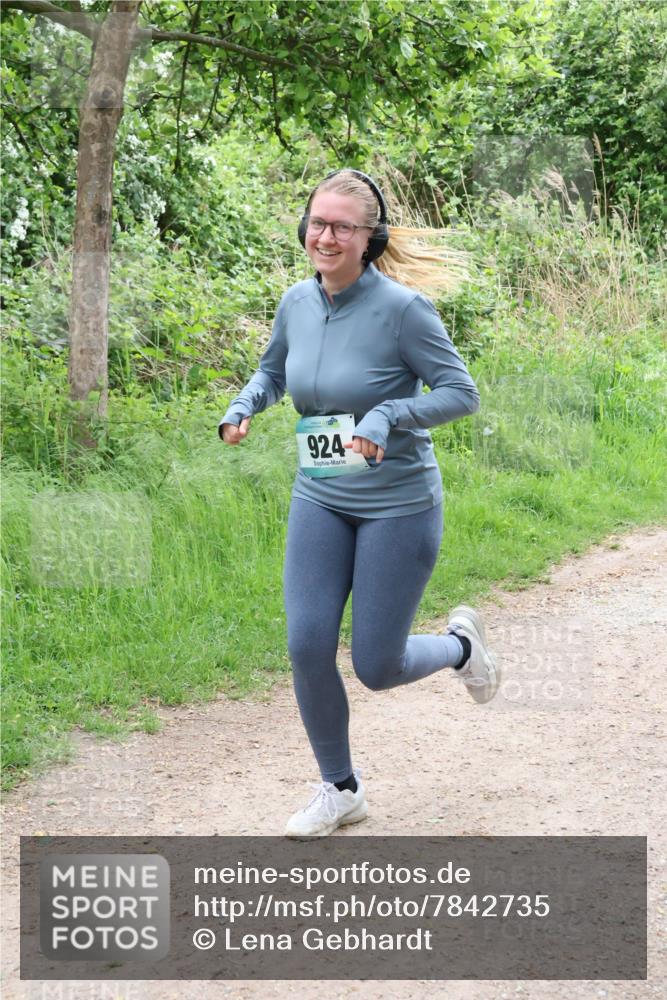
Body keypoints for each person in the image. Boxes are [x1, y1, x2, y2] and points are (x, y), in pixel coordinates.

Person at [219, 169, 500, 838]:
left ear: (369, 239)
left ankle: (460, 648)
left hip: (396, 506)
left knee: (377, 666)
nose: (326, 235)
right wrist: (244, 404)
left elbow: (460, 394)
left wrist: (387, 415)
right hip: (320, 495)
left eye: (342, 226)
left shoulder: (404, 310)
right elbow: (272, 370)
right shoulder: (295, 301)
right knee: (306, 643)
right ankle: (340, 788)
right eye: (317, 221)